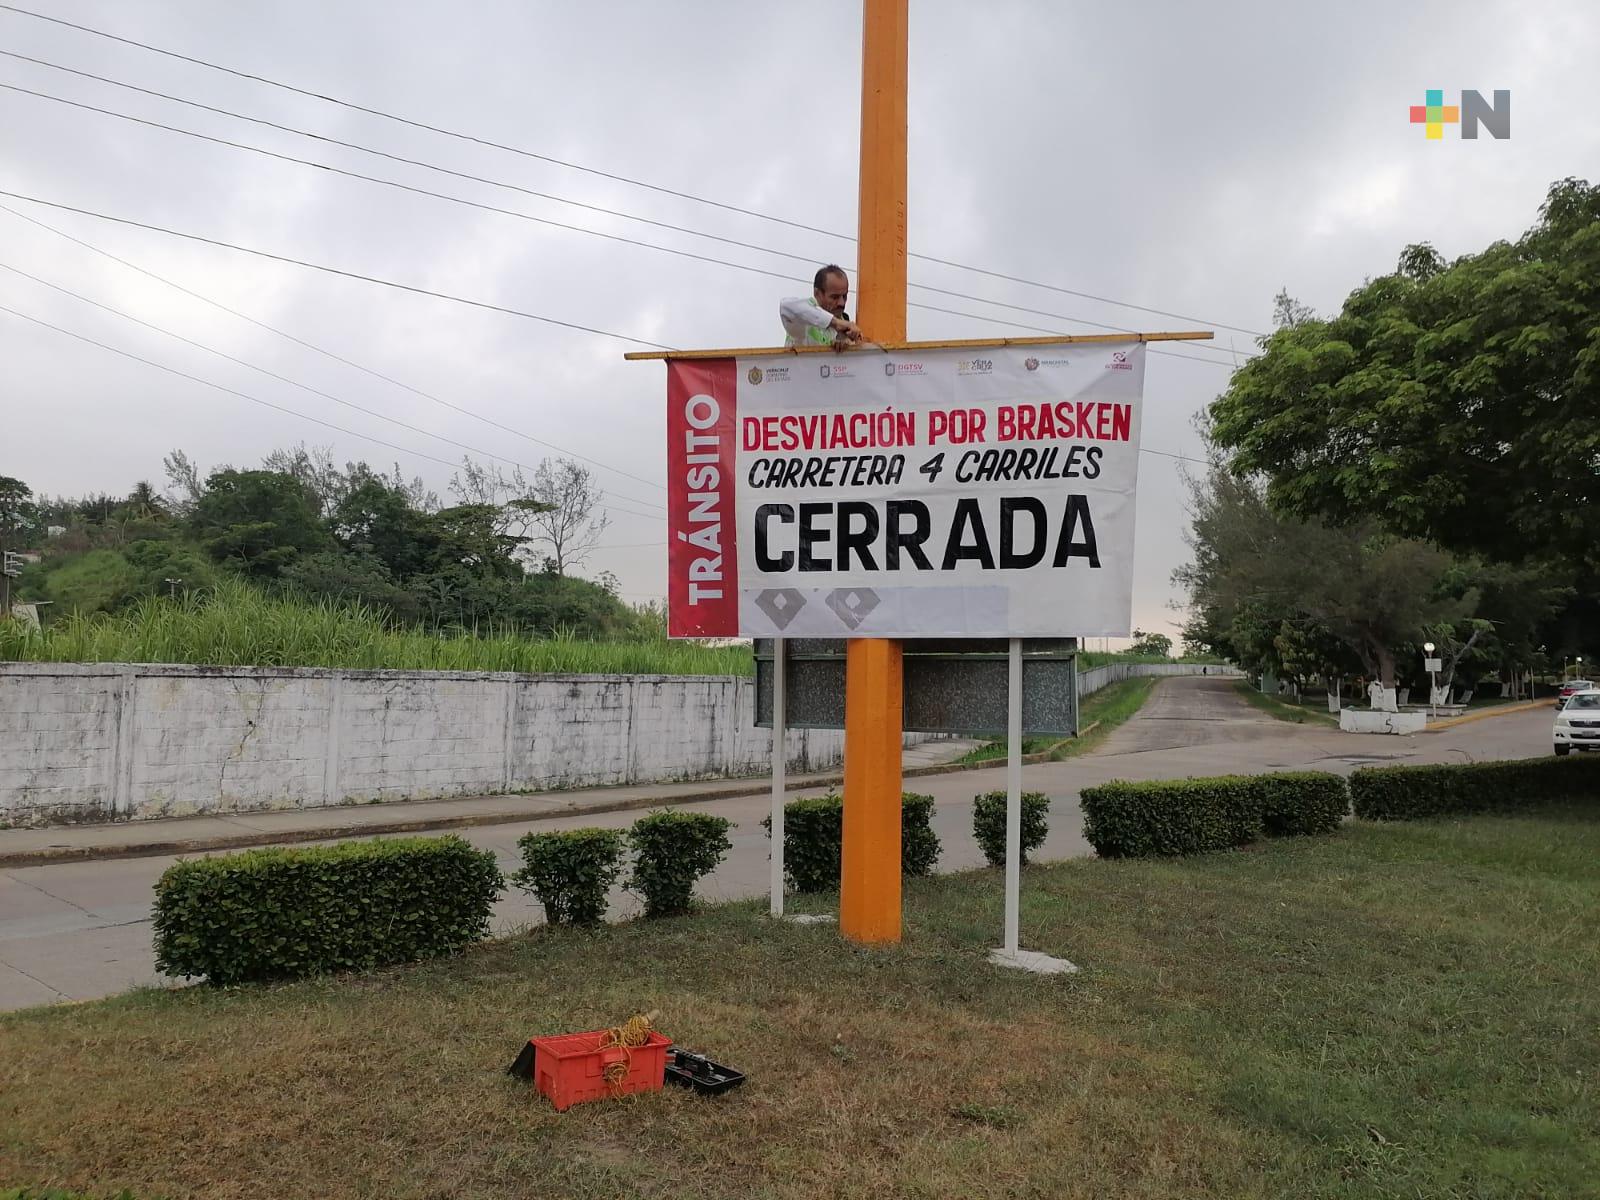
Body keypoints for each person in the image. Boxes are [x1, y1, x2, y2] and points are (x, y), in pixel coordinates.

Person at [780, 264, 863, 349]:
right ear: (817, 293)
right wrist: (835, 323)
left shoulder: (847, 331)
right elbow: (785, 306)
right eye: (834, 297)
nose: (841, 303)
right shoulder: (803, 319)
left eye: (844, 296)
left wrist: (850, 348)